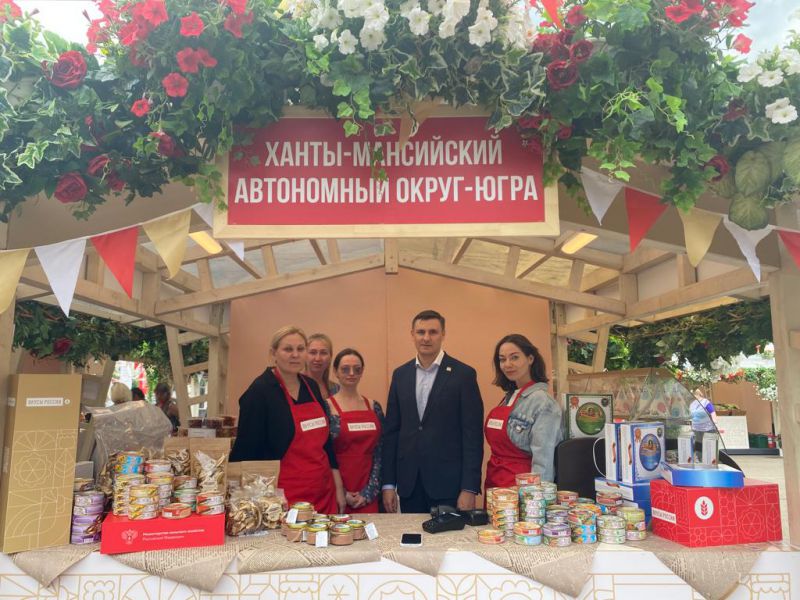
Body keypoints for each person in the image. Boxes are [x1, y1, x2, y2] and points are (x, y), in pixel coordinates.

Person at [230, 326, 346, 514]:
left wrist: (338, 487)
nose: (295, 355)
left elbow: (326, 444)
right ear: (273, 353)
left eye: (300, 349)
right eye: (288, 349)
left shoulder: (311, 387)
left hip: (323, 494)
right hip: (282, 499)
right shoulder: (260, 392)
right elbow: (247, 451)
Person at [382, 310, 484, 513]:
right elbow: (392, 432)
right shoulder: (400, 375)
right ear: (412, 334)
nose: (426, 338)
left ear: (443, 334)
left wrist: (469, 488)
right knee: (411, 534)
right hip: (410, 484)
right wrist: (388, 484)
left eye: (433, 332)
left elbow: (472, 436)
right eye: (421, 332)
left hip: (449, 486)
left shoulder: (463, 375)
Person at [484, 334, 563, 489]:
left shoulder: (543, 403)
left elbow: (544, 463)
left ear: (530, 358)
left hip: (523, 490)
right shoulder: (509, 397)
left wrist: (535, 498)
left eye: (514, 357)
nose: (507, 364)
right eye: (502, 359)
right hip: (496, 485)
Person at [327, 348, 384, 513]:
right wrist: (341, 491)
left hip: (369, 492)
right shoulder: (326, 407)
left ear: (362, 372)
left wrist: (368, 492)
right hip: (337, 493)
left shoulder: (373, 406)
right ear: (335, 372)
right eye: (345, 369)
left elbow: (381, 451)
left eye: (357, 369)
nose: (351, 373)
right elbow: (324, 454)